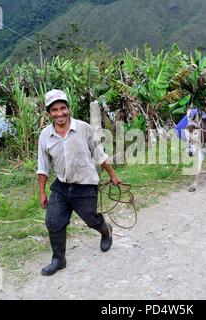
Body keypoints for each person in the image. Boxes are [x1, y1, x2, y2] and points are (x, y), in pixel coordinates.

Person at [37, 89, 121, 276]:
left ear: (68, 108)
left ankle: (106, 230)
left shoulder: (83, 129)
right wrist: (42, 192)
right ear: (49, 113)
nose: (60, 114)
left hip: (85, 184)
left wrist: (113, 175)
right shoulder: (45, 135)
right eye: (54, 110)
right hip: (61, 186)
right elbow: (43, 167)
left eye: (63, 108)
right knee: (53, 221)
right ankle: (58, 259)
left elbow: (99, 155)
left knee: (91, 220)